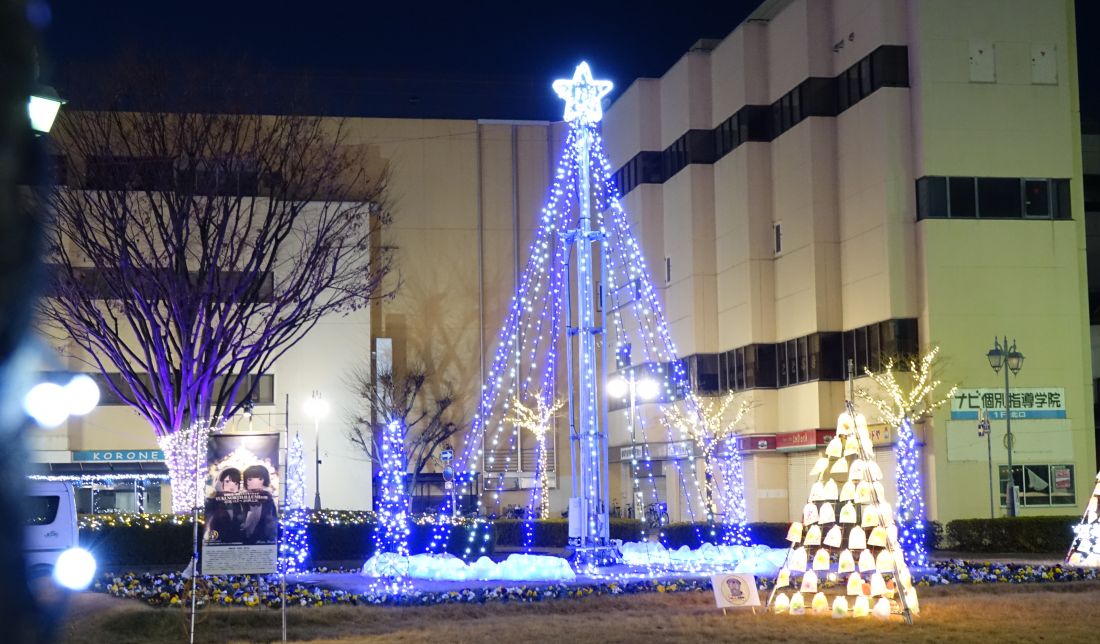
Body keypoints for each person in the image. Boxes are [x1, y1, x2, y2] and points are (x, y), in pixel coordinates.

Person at [204, 468, 245, 543]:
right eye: (227, 481)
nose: (232, 487)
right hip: (217, 541)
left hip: (237, 541)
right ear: (220, 482)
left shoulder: (240, 502)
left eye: (236, 483)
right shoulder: (213, 501)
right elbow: (209, 521)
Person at [241, 464, 278, 544]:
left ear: (265, 480)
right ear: (246, 481)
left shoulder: (267, 497)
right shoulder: (242, 498)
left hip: (263, 538)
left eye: (260, 479)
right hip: (244, 538)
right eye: (250, 479)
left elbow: (273, 517)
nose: (255, 482)